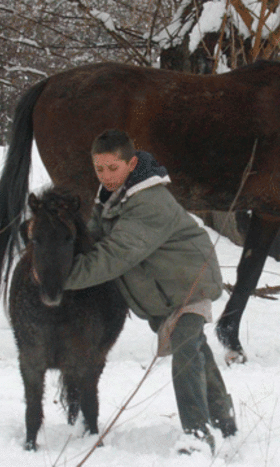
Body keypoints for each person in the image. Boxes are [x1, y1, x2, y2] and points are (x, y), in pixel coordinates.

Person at [63, 129, 236, 454]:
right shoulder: (110, 199)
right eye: (99, 169)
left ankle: (197, 438)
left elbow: (113, 255)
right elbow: (92, 240)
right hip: (162, 292)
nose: (105, 176)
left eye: (112, 168)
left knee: (186, 348)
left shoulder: (149, 201)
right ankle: (226, 421)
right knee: (196, 349)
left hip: (188, 282)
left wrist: (61, 279)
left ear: (131, 164)